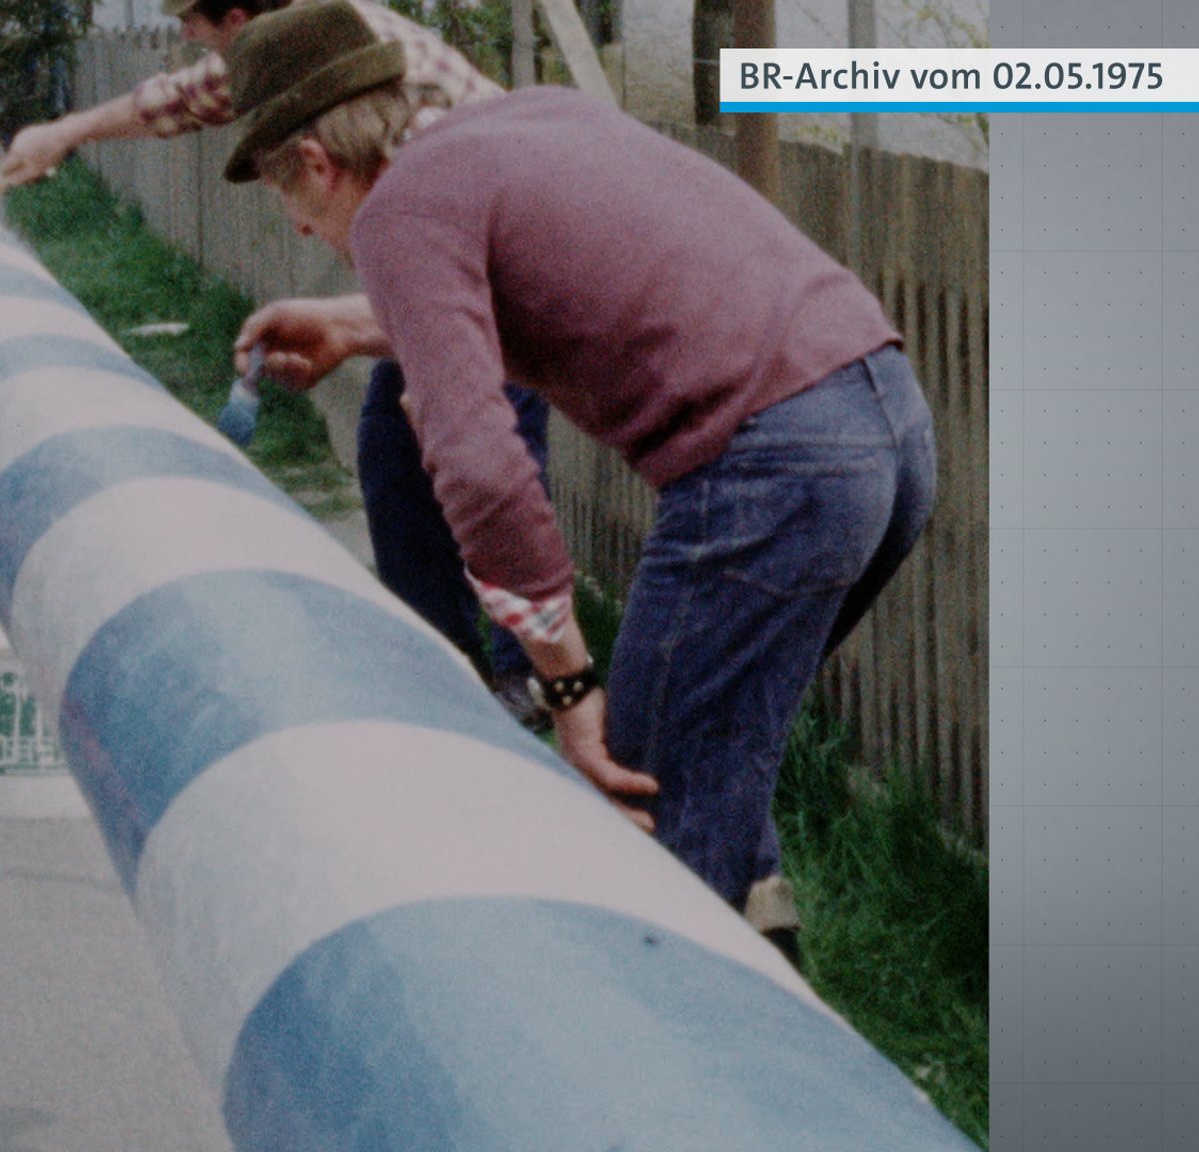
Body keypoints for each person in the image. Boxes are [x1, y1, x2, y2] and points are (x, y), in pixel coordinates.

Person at [227, 2, 935, 960]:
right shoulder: (527, 121)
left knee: (644, 821)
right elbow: (551, 294)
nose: (305, 232)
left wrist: (565, 685)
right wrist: (356, 325)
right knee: (710, 760)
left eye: (290, 205)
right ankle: (761, 936)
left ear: (314, 160)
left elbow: (478, 469)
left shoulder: (398, 211)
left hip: (776, 467)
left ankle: (694, 1063)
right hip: (884, 421)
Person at [0, 0, 554, 726]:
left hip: (492, 267)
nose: (186, 39)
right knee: (392, 457)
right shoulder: (295, 43)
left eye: (193, 22)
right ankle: (440, 666)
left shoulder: (363, 71)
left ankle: (538, 675)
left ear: (234, 13)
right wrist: (66, 132)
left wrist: (397, 344)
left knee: (484, 464)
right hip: (438, 271)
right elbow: (187, 97)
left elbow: (467, 256)